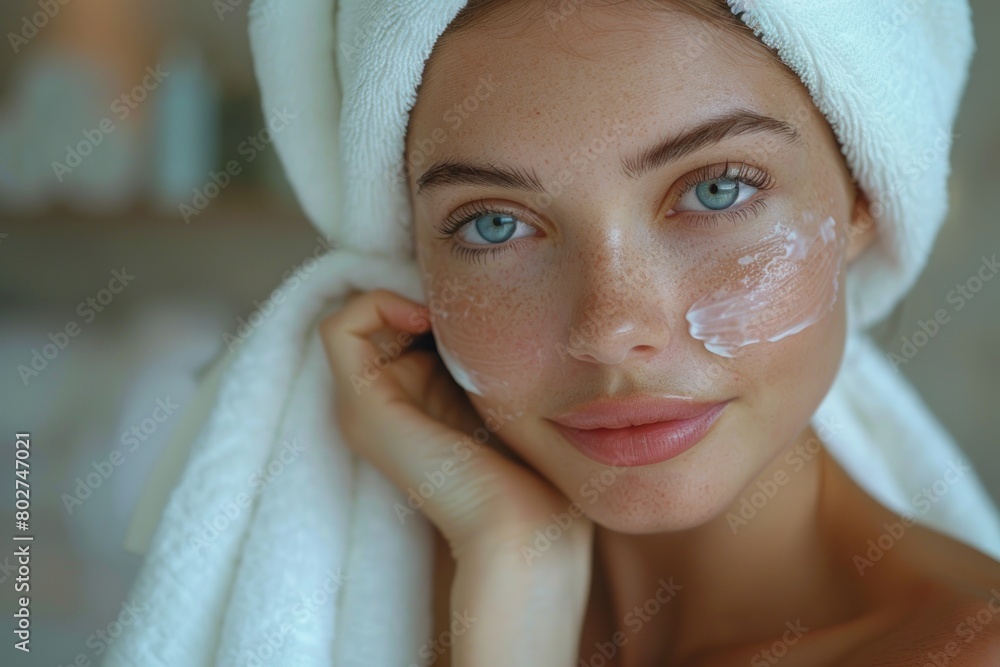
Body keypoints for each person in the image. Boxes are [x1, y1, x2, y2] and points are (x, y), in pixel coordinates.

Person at [318, 0, 1000, 664]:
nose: (612, 329)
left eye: (717, 190)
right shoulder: (366, 591)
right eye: (494, 223)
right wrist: (517, 566)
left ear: (863, 200)